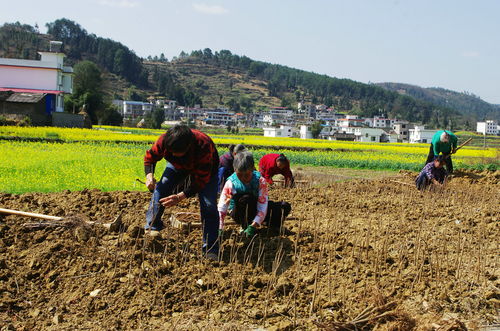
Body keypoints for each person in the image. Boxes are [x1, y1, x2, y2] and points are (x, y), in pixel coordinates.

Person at [143, 124, 220, 259]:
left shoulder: (203, 146)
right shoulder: (164, 141)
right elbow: (150, 158)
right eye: (171, 151)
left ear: (188, 146)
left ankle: (210, 248)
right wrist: (149, 176)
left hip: (207, 170)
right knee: (162, 188)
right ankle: (152, 228)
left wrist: (180, 196)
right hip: (176, 166)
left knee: (209, 205)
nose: (172, 154)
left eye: (177, 152)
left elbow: (201, 181)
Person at [218, 151, 291, 237]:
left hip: (256, 209)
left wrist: (255, 224)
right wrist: (220, 226)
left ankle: (272, 227)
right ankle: (245, 226)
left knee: (284, 206)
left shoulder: (260, 181)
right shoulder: (231, 182)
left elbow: (262, 205)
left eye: (247, 175)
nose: (243, 178)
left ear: (252, 169)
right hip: (239, 212)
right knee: (246, 199)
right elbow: (222, 207)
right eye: (240, 175)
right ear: (235, 170)